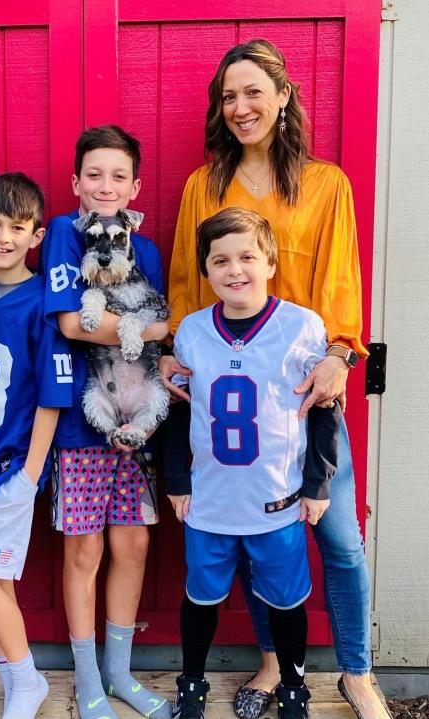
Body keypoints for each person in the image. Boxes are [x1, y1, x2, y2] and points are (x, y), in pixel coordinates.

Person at [161, 39, 387, 719]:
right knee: (260, 534)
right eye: (227, 96)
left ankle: (355, 670)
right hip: (231, 401)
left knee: (339, 538)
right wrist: (174, 352)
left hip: (303, 393)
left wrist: (339, 356)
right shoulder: (204, 185)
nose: (240, 107)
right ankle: (269, 664)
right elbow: (181, 279)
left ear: (283, 96)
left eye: (253, 91)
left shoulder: (325, 184)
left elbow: (340, 282)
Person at [166, 207, 340, 719]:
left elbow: (324, 411)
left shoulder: (302, 327)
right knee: (200, 597)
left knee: (286, 602)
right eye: (220, 260)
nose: (234, 269)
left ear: (270, 262)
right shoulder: (193, 331)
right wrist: (176, 478)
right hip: (210, 500)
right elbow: (181, 413)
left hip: (277, 499)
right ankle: (192, 685)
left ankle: (293, 688)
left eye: (246, 256)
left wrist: (318, 484)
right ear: (206, 270)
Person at [41, 125, 172, 719]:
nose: (105, 186)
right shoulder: (66, 239)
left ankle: (120, 672)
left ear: (135, 187)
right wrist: (142, 331)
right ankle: (87, 678)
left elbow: (164, 322)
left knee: (135, 541)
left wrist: (147, 332)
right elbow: (71, 325)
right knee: (84, 550)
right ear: (76, 182)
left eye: (118, 176)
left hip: (135, 419)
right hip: (78, 419)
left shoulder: (146, 249)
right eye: (93, 174)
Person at [0, 172, 73, 719]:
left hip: (11, 466)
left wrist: (30, 474)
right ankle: (14, 684)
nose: (4, 237)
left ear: (37, 235)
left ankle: (28, 681)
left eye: (18, 227)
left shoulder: (42, 304)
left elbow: (52, 397)